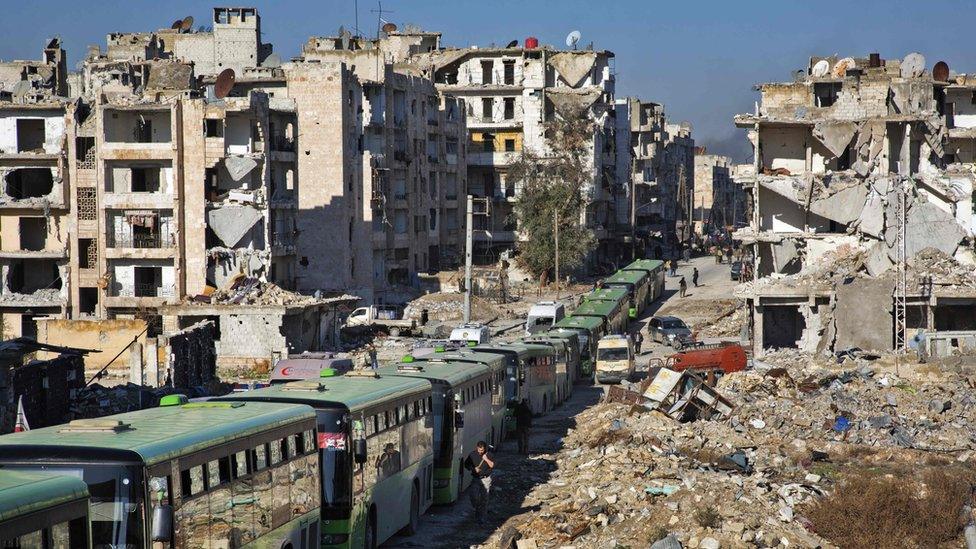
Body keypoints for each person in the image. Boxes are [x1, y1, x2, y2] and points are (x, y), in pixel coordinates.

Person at [464, 441, 495, 524]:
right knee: (473, 496)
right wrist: (473, 469)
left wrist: (486, 459)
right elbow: (466, 464)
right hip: (476, 478)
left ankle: (482, 518)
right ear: (477, 448)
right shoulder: (472, 454)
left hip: (486, 479)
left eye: (482, 450)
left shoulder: (489, 455)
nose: (480, 452)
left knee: (485, 499)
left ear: (484, 449)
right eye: (479, 450)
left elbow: (492, 465)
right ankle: (478, 509)